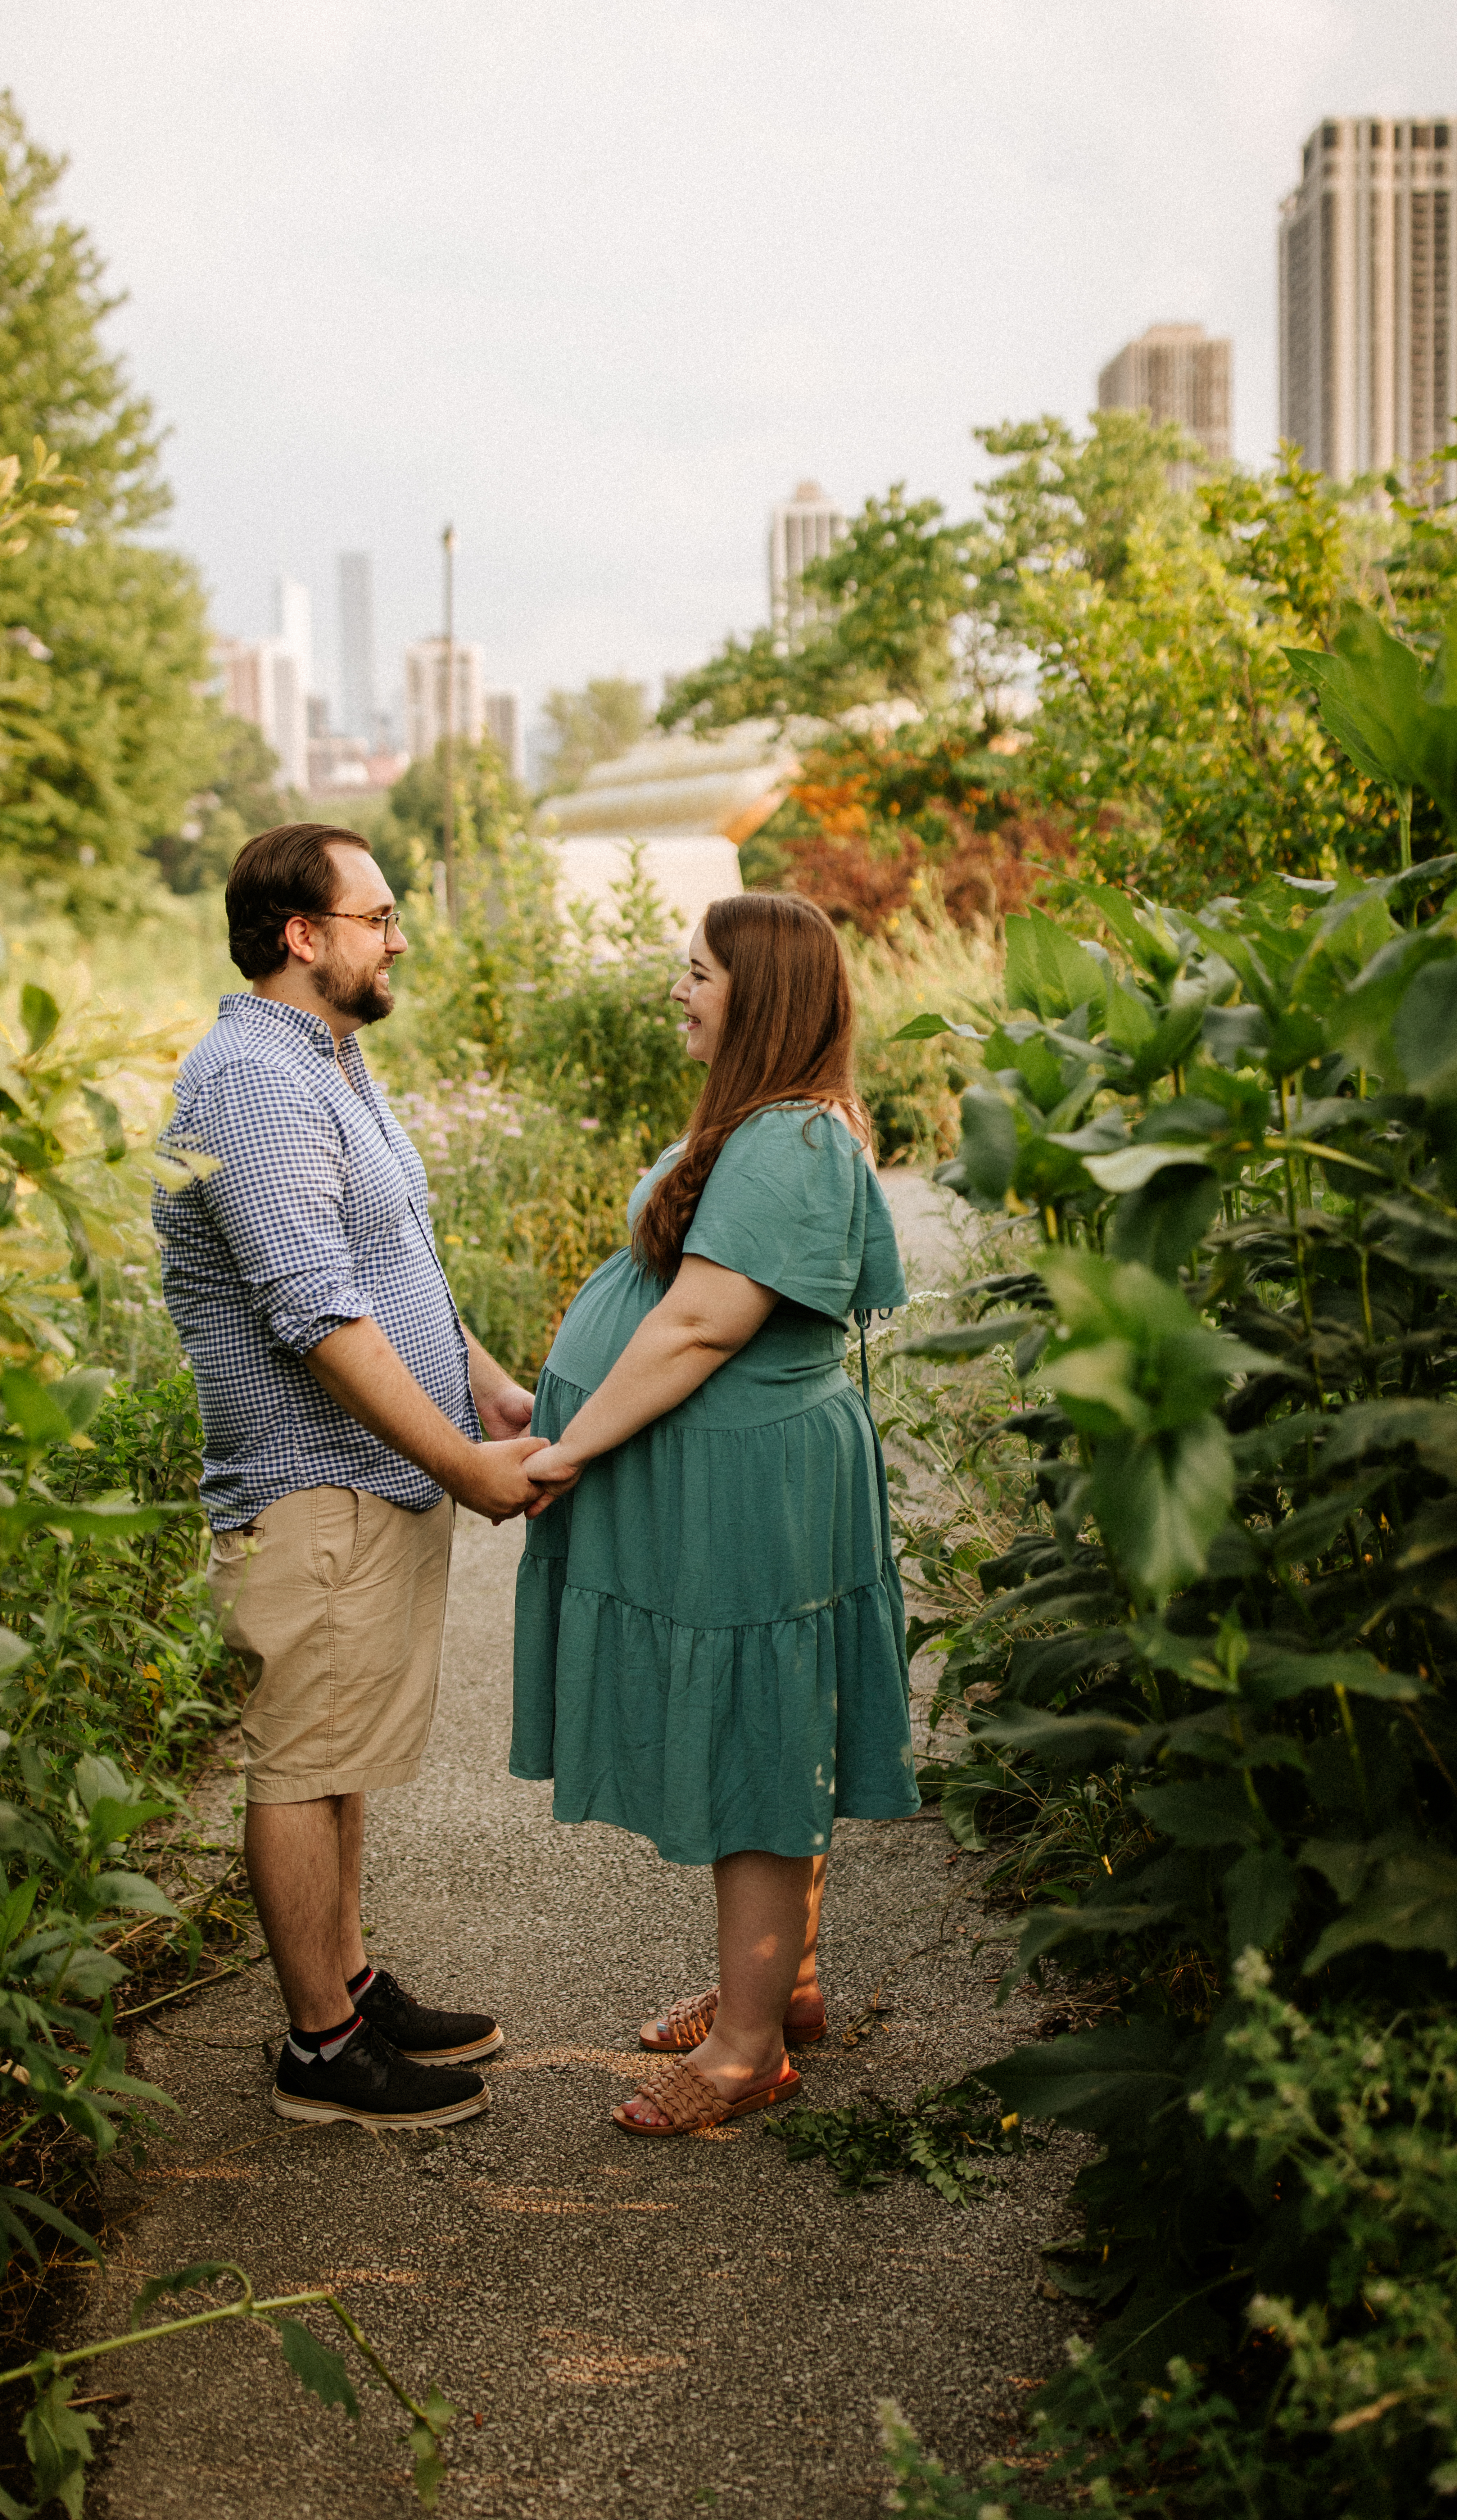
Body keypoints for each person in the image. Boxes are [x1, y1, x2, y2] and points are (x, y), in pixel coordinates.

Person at [154, 822, 546, 2131]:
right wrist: (468, 1468)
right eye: (378, 917)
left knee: (342, 1756)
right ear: (302, 936)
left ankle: (349, 1980)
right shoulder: (252, 1084)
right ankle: (320, 2051)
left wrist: (480, 1380)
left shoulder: (329, 1059)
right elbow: (314, 1311)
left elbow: (391, 1263)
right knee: (302, 1762)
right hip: (312, 1478)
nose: (399, 937)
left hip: (376, 1476)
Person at [511, 891, 922, 2137]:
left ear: (764, 996)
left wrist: (567, 1448)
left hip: (751, 1485)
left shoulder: (794, 1139)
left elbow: (699, 1322)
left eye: (696, 973)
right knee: (764, 1721)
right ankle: (779, 1983)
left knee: (758, 1739)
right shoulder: (771, 1125)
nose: (677, 990)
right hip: (732, 1473)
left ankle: (749, 2053)